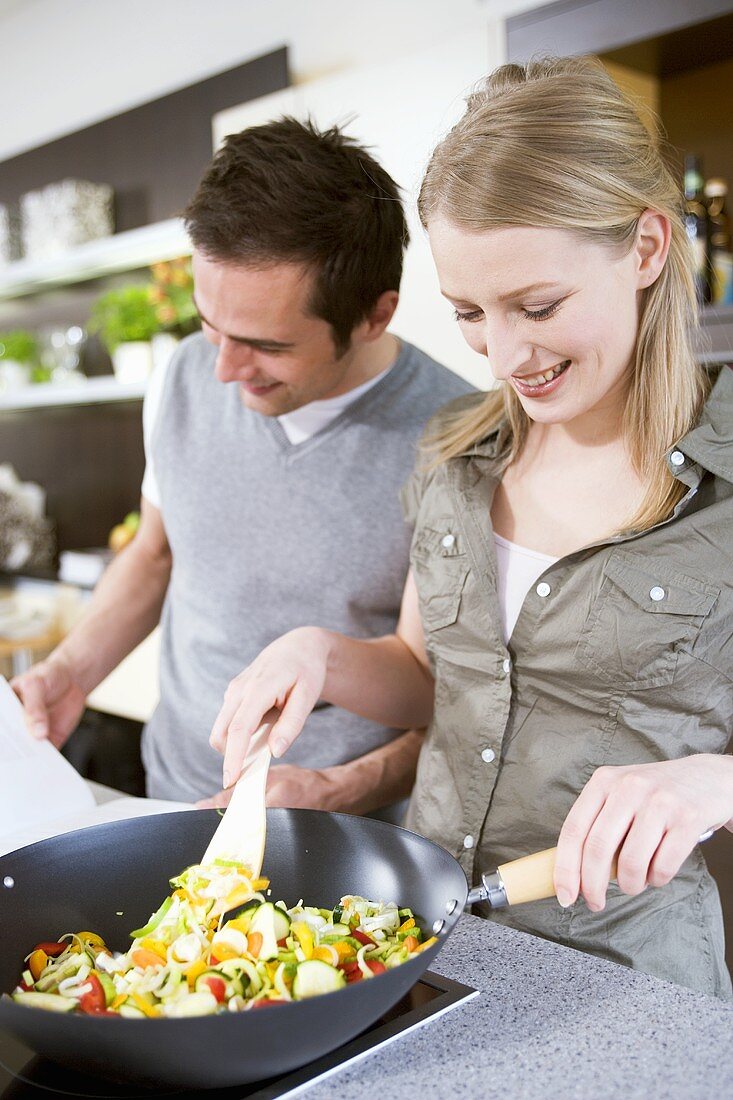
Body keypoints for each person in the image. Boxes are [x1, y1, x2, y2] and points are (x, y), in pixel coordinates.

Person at [206, 59, 733, 997]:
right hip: (425, 942)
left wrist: (714, 783)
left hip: (626, 978)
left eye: (536, 306)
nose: (505, 354)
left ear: (647, 248)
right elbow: (427, 682)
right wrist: (320, 655)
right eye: (469, 314)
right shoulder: (455, 455)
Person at [12, 118, 472, 818]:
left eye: (264, 344)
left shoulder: (458, 435)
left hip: (340, 832)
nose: (223, 369)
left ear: (374, 316)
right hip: (172, 793)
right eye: (208, 325)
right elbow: (157, 554)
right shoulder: (182, 376)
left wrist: (338, 790)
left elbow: (440, 692)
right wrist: (71, 672)